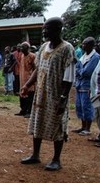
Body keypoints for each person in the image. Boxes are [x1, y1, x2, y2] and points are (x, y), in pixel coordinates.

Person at [20, 17, 75, 171]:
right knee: (38, 121)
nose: (44, 31)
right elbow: (38, 69)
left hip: (56, 95)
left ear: (58, 29)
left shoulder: (67, 49)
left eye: (47, 28)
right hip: (40, 93)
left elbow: (69, 76)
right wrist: (27, 85)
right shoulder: (44, 47)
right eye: (44, 28)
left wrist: (64, 98)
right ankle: (35, 155)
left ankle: (56, 159)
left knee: (57, 124)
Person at [72, 37, 100, 136]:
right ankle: (83, 126)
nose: (83, 46)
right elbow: (78, 70)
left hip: (87, 86)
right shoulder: (84, 56)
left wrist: (79, 70)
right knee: (80, 106)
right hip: (80, 85)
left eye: (85, 44)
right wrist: (79, 70)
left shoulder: (95, 57)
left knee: (87, 106)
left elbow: (86, 72)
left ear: (91, 45)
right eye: (83, 44)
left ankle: (88, 128)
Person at [18, 42, 37, 118]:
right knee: (22, 95)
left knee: (30, 96)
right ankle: (23, 110)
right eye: (21, 47)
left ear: (27, 48)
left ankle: (29, 111)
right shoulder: (22, 56)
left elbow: (35, 68)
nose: (21, 49)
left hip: (30, 80)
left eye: (23, 47)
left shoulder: (33, 56)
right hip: (22, 78)